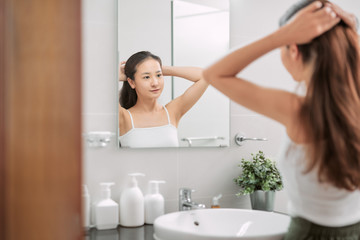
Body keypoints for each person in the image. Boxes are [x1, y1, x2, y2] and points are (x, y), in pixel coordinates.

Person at [203, 0, 360, 239]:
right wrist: (350, 36)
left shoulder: (299, 112)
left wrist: (282, 35)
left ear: (293, 49)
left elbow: (212, 74)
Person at [118, 51, 208, 148]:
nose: (155, 83)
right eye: (146, 77)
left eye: (158, 75)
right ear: (132, 83)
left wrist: (160, 69)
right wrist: (115, 77)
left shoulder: (171, 112)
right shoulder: (124, 117)